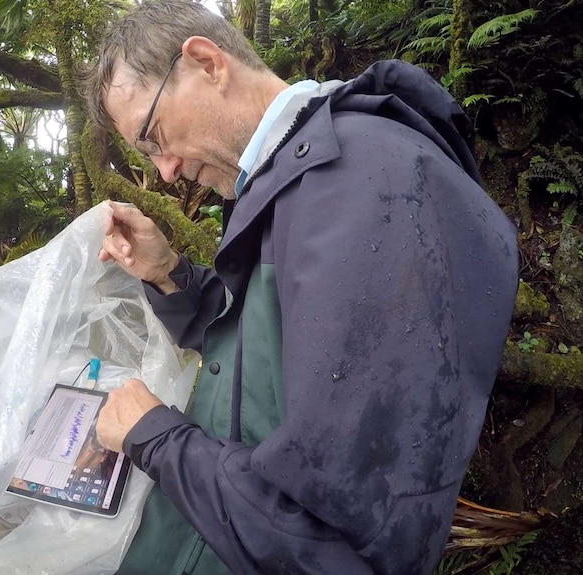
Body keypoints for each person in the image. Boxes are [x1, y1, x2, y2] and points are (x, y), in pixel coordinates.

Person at [86, 1, 519, 574]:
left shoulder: (363, 180)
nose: (164, 171)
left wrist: (155, 438)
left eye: (153, 136)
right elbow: (263, 348)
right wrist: (169, 274)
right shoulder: (298, 179)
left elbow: (334, 540)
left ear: (205, 62)